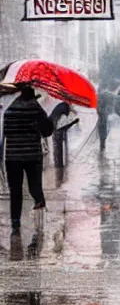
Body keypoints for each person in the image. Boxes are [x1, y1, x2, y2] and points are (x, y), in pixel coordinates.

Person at [3, 86, 54, 235]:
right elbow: (47, 131)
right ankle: (39, 218)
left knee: (15, 191)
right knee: (35, 187)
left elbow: (4, 131)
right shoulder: (35, 108)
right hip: (32, 156)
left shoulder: (8, 108)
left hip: (12, 156)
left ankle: (15, 223)